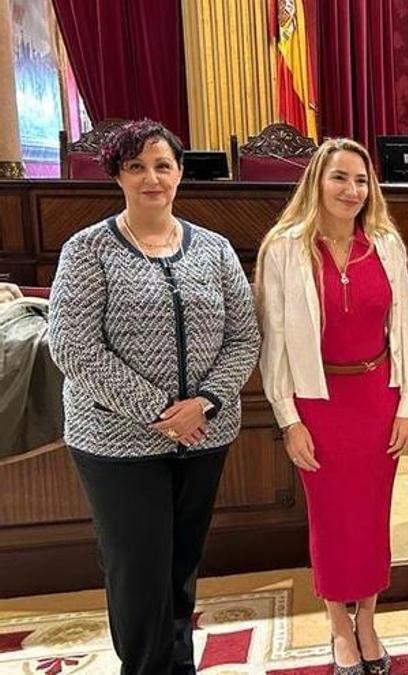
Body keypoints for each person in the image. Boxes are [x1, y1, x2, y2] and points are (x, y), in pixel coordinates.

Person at [47, 119, 260, 674]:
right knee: (138, 571)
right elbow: (72, 347)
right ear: (117, 174)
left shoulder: (212, 249)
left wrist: (206, 401)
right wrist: (158, 412)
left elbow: (244, 336)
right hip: (115, 441)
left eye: (163, 165)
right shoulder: (86, 251)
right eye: (137, 167)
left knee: (181, 566)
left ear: (180, 172)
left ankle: (178, 665)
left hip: (205, 433)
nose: (152, 178)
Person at [257, 138, 408, 673]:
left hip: (379, 398)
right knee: (331, 518)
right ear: (316, 182)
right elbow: (274, 342)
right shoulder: (283, 248)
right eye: (340, 178)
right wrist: (289, 419)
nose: (351, 190)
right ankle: (338, 626)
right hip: (318, 402)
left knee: (374, 515)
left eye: (361, 180)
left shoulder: (386, 244)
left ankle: (369, 620)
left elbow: (405, 328)